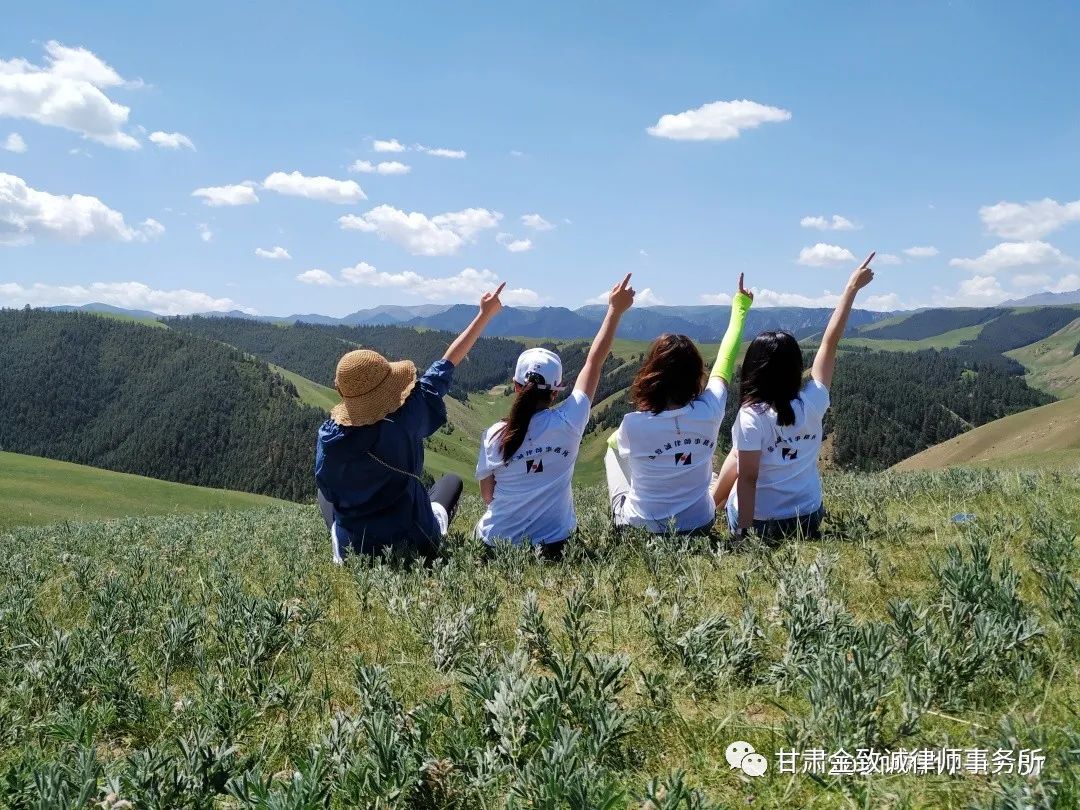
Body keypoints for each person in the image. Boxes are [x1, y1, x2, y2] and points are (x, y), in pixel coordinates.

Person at [315, 283, 506, 561]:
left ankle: (348, 543)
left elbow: (328, 489)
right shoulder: (408, 415)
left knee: (324, 498)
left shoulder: (329, 437)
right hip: (415, 539)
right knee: (451, 482)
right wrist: (484, 314)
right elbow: (446, 365)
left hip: (355, 550)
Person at [718, 252, 876, 541]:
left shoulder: (751, 416)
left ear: (753, 369)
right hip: (808, 517)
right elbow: (830, 343)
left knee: (739, 455)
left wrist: (743, 532)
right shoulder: (813, 401)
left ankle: (712, 503)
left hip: (763, 524)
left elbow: (748, 478)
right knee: (741, 451)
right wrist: (851, 289)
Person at [475, 274, 636, 557]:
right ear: (556, 392)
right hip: (556, 543)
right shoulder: (570, 421)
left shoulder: (494, 435)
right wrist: (614, 310)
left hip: (497, 545)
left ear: (515, 387)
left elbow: (488, 497)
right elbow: (594, 362)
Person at [605, 274, 754, 534]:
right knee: (704, 469)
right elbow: (725, 360)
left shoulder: (633, 424)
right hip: (701, 523)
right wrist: (740, 306)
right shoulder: (711, 408)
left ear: (651, 377)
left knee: (612, 447)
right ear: (696, 375)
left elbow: (620, 444)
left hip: (641, 528)